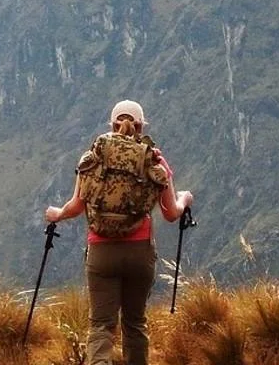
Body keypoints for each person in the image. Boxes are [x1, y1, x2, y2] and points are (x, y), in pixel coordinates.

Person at [45, 100, 194, 365]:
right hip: (140, 253)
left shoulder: (93, 158)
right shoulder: (154, 159)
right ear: (141, 125)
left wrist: (57, 214)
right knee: (135, 323)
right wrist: (185, 199)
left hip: (101, 252)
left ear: (112, 125)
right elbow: (171, 213)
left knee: (101, 325)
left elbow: (76, 206)